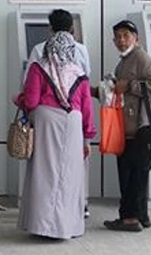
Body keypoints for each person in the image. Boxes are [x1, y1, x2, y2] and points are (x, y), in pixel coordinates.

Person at [15, 31, 96, 240]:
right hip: (73, 124)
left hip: (47, 121)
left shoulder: (39, 67)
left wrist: (19, 100)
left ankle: (42, 225)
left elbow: (32, 101)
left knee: (45, 172)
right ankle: (67, 227)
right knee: (70, 175)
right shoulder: (79, 73)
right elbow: (87, 109)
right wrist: (87, 138)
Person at [103, 20, 151, 232]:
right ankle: (141, 216)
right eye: (117, 37)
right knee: (137, 173)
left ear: (136, 38)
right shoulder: (124, 61)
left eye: (125, 36)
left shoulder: (142, 58)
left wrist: (129, 85)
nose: (121, 40)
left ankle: (129, 218)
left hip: (142, 127)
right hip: (130, 127)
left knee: (132, 175)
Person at [26, 9, 91, 78]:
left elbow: (28, 78)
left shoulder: (39, 49)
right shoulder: (81, 49)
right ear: (72, 28)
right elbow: (86, 75)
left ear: (50, 28)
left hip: (47, 88)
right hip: (75, 88)